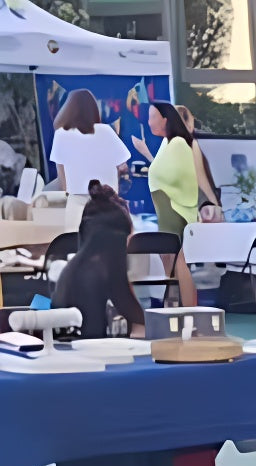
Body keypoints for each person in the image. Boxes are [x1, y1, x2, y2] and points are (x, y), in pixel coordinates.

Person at [53, 181, 144, 339]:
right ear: (116, 240)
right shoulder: (97, 271)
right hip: (87, 354)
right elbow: (127, 305)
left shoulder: (76, 269)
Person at [142, 102, 199, 306]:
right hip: (167, 211)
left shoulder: (178, 145)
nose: (150, 122)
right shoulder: (168, 144)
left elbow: (180, 177)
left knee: (178, 263)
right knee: (170, 263)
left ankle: (187, 309)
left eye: (154, 117)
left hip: (176, 211)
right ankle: (174, 305)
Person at [49, 89, 129, 232]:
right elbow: (123, 166)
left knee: (75, 246)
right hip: (107, 200)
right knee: (108, 246)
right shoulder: (106, 131)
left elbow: (62, 178)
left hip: (76, 200)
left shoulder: (61, 135)